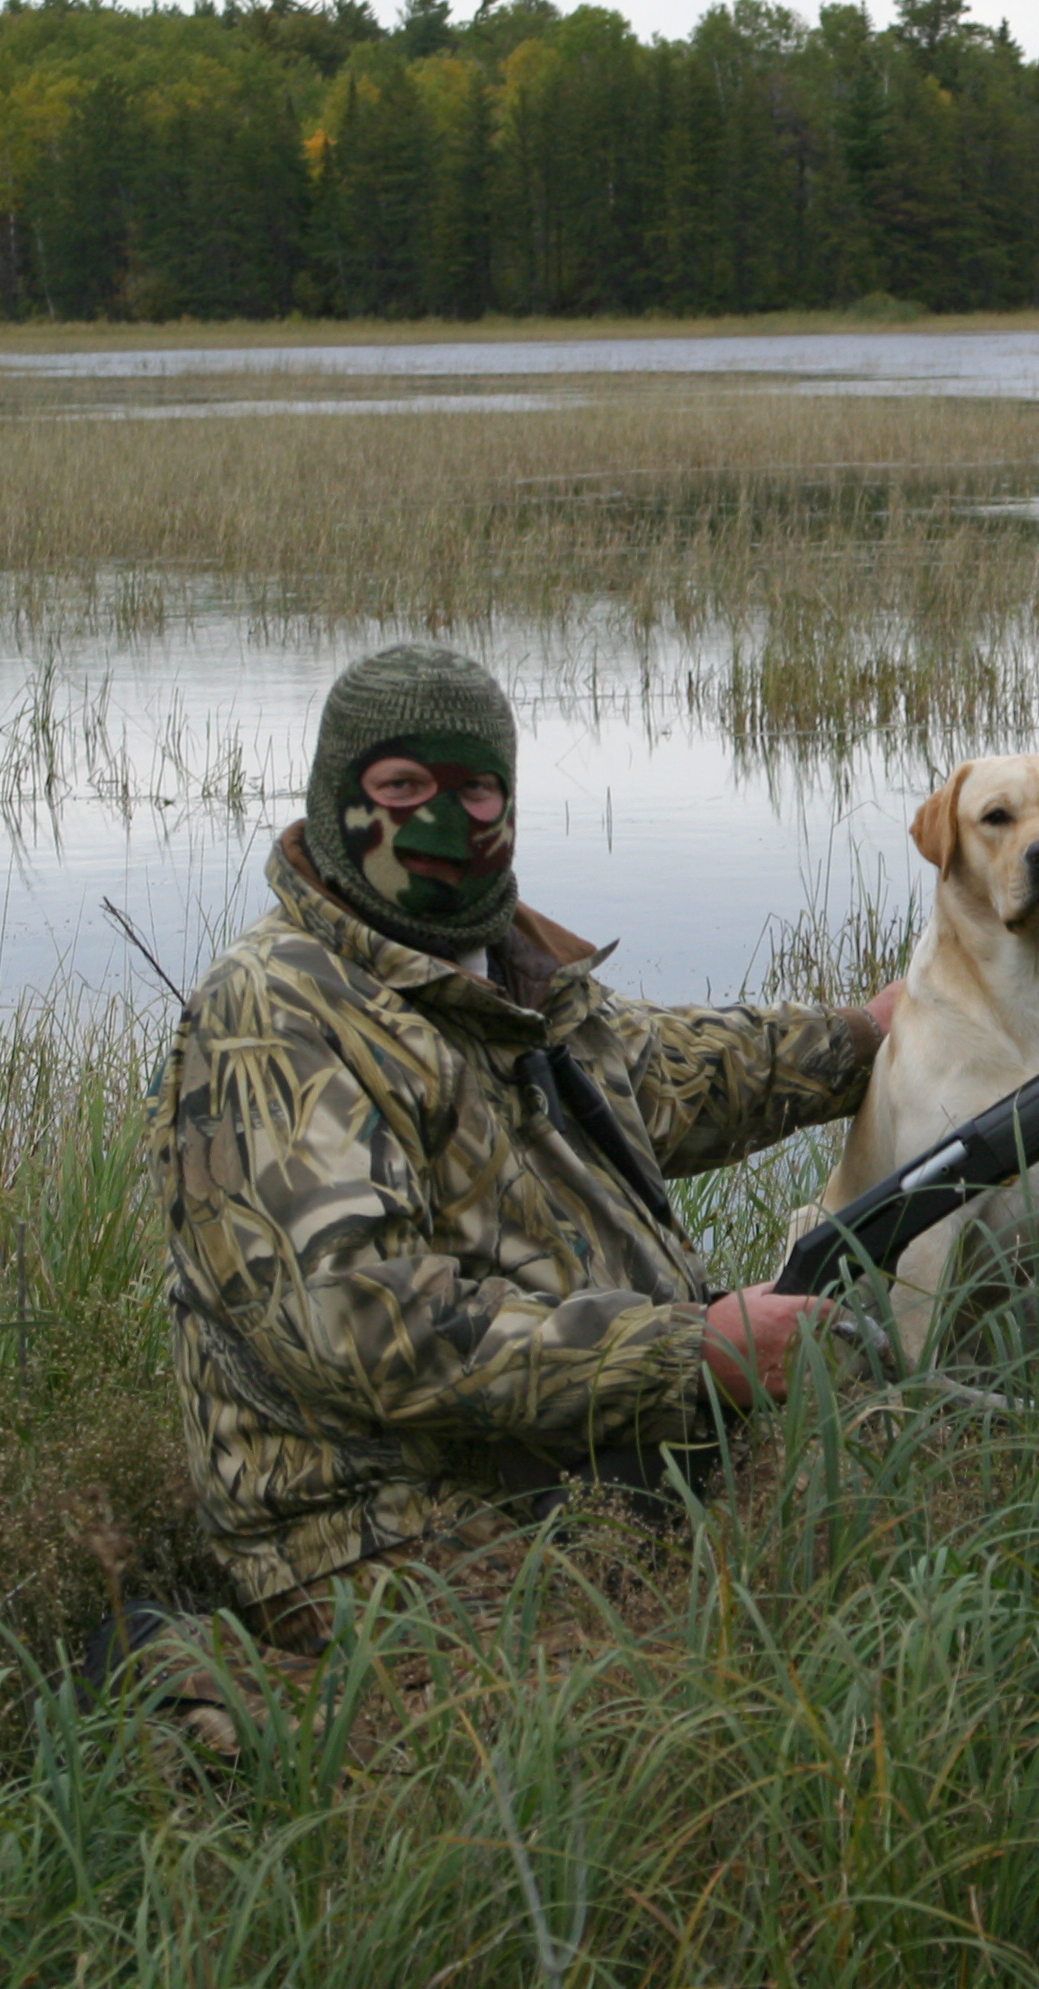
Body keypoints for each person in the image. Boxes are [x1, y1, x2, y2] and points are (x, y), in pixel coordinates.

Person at [150, 642, 895, 1664]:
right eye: (403, 787)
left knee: (857, 1587)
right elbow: (367, 1326)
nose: (448, 822)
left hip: (579, 1470)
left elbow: (670, 1072)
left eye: (478, 790)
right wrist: (695, 1351)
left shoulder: (510, 975)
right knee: (632, 1713)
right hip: (375, 1525)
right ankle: (191, 1687)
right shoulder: (276, 1008)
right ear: (337, 800)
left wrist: (869, 1038)